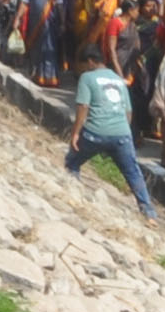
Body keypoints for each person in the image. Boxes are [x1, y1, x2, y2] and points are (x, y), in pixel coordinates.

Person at [67, 50, 157, 215]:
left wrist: (76, 134)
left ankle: (73, 195)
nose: (82, 69)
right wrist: (123, 133)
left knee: (72, 162)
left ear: (90, 61)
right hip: (122, 133)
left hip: (94, 133)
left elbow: (83, 107)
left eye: (82, 65)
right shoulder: (118, 79)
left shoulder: (87, 78)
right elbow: (128, 112)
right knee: (133, 173)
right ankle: (148, 212)